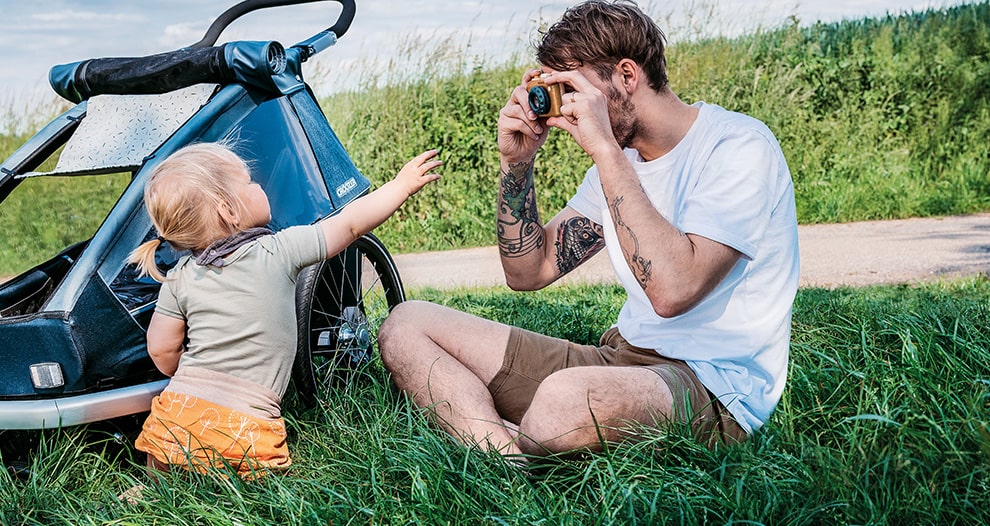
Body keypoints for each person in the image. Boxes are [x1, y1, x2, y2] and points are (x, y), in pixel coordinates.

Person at [379, 0, 799, 457]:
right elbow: (528, 272)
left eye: (572, 88)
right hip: (623, 361)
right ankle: (508, 458)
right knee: (406, 326)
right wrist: (517, 164)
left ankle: (495, 440)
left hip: (713, 387)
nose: (563, 110)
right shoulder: (619, 161)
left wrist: (605, 151)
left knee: (564, 400)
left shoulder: (738, 147)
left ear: (626, 75)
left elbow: (674, 291)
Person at [127, 142, 441, 477]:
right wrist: (401, 186)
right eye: (249, 183)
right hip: (246, 424)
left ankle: (153, 484)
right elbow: (350, 225)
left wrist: (189, 376)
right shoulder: (279, 251)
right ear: (228, 211)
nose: (258, 186)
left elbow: (161, 349)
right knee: (255, 475)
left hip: (180, 416)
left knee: (163, 461)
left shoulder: (180, 279)